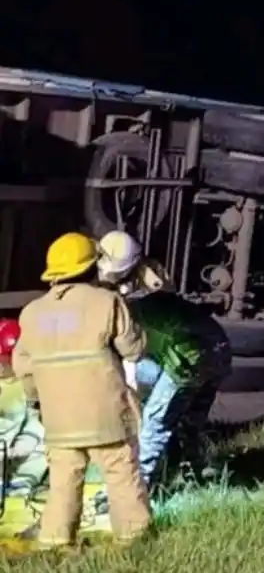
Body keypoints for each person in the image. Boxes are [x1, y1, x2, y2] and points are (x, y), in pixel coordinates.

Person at [13, 232, 151, 549]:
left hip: (59, 420)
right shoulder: (107, 303)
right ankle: (134, 542)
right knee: (121, 476)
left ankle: (55, 543)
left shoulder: (32, 313)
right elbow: (134, 350)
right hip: (107, 419)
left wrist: (38, 405)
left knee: (63, 484)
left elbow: (24, 370)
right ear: (93, 266)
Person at [94, 230, 231, 494]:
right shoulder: (150, 283)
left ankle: (137, 488)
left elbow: (132, 355)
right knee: (189, 421)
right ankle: (196, 471)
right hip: (216, 348)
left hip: (187, 357)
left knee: (155, 420)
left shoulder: (125, 306)